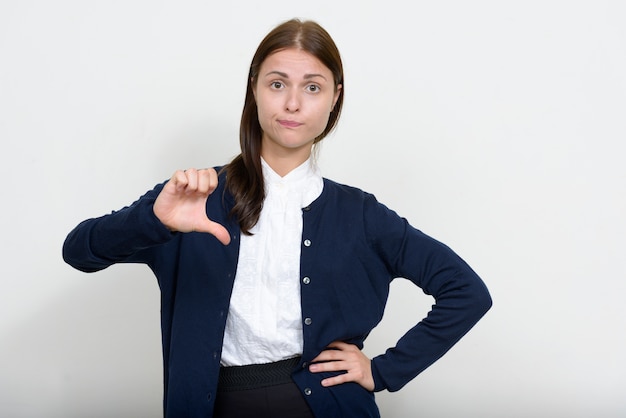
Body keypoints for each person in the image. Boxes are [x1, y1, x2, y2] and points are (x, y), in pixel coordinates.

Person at [63, 18, 492, 418]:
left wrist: (382, 371)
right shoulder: (192, 198)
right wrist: (152, 220)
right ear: (254, 89)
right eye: (277, 83)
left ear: (334, 98)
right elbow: (78, 251)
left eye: (312, 87)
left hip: (327, 405)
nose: (291, 103)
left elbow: (467, 292)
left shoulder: (361, 215)